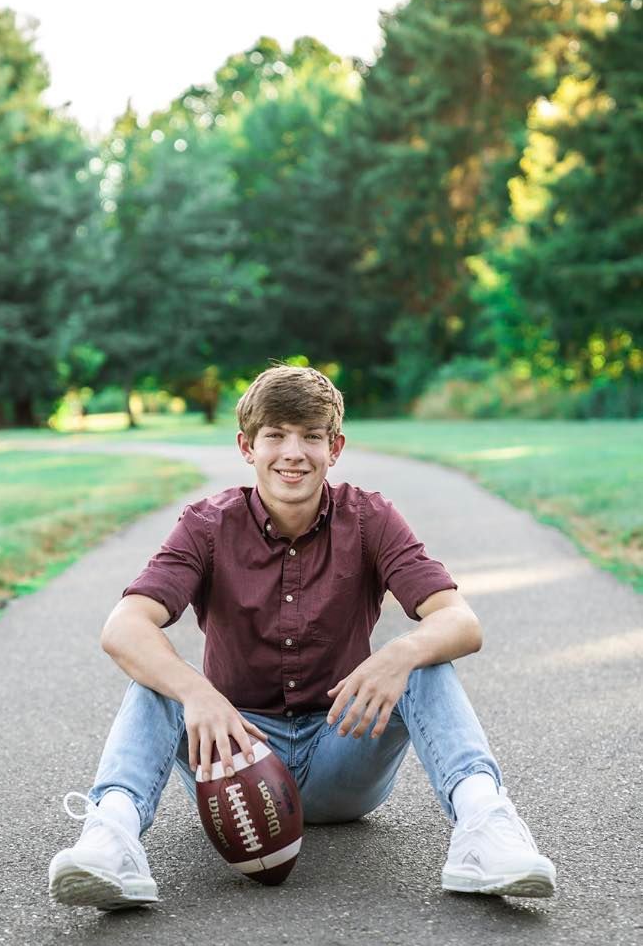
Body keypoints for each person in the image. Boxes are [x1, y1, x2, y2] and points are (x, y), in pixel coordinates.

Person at [49, 364, 556, 910]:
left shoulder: (371, 518)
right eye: (276, 435)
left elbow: (461, 621)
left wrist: (400, 652)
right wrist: (197, 693)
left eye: (311, 436)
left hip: (343, 748)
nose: (293, 452)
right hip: (235, 753)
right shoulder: (206, 524)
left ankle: (486, 830)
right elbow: (123, 627)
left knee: (424, 662)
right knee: (155, 682)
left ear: (334, 448)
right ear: (247, 446)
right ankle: (110, 839)